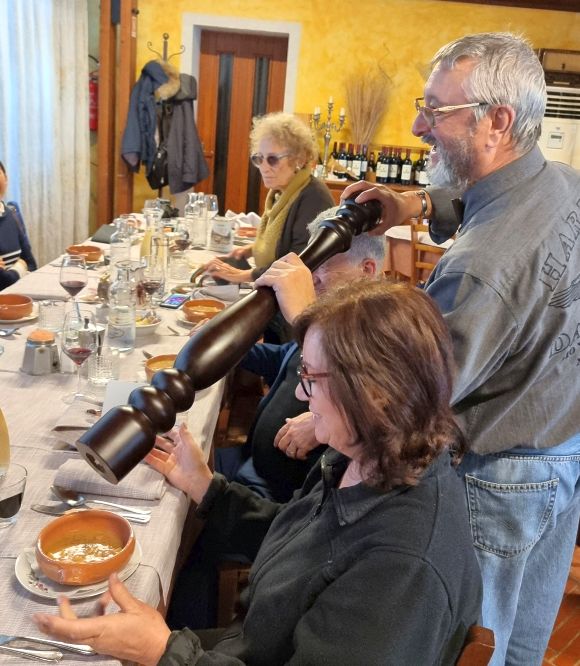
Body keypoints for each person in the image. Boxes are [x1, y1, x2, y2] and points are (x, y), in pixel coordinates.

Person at [33, 279, 483, 665]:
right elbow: (302, 544)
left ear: (375, 394)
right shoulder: (367, 457)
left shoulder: (402, 569)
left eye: (310, 376)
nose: (303, 396)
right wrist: (207, 488)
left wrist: (164, 651)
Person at [344, 32, 580, 666]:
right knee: (525, 646)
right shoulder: (562, 182)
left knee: (477, 645)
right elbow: (487, 197)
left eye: (435, 110)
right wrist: (411, 201)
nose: (419, 124)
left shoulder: (478, 270)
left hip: (503, 479)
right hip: (564, 451)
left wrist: (319, 406)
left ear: (496, 122)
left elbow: (411, 399)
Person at [218, 205, 386, 503]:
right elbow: (284, 357)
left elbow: (377, 417)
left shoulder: (382, 335)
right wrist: (230, 344)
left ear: (367, 271)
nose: (312, 278)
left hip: (278, 501)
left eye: (324, 265)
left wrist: (321, 419)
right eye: (312, 263)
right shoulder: (337, 313)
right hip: (252, 469)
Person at [203, 111, 333, 285]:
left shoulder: (313, 197)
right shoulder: (281, 192)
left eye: (272, 159)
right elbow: (280, 244)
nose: (263, 167)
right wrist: (249, 251)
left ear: (300, 160)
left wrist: (242, 275)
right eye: (259, 158)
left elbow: (300, 262)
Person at [0, 160, 37, 289]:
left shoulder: (12, 213)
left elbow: (32, 264)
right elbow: (4, 281)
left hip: (19, 299)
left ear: (6, 178)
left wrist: (13, 273)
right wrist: (20, 267)